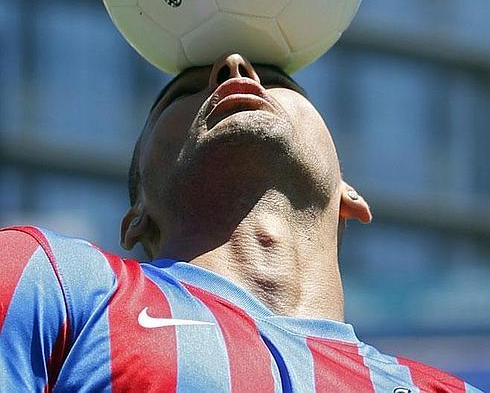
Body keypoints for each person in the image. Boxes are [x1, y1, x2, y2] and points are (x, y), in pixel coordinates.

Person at [0, 53, 482, 392]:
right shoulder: (50, 282)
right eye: (184, 92)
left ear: (348, 193)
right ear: (135, 220)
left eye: (277, 80)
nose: (233, 66)